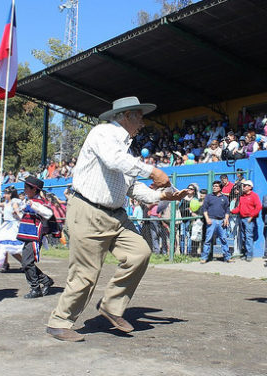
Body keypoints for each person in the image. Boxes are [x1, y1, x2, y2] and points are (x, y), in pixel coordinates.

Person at [46, 97, 190, 342]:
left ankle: (111, 306)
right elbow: (115, 161)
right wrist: (153, 171)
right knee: (85, 274)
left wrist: (163, 195)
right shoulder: (102, 133)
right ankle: (59, 322)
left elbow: (133, 189)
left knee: (140, 253)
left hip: (116, 215)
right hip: (88, 211)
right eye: (140, 116)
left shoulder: (126, 150)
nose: (142, 123)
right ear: (127, 116)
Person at [17, 176, 56, 299]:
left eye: (26, 188)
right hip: (27, 235)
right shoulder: (29, 201)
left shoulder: (38, 203)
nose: (24, 190)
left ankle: (35, 288)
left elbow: (48, 214)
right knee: (26, 262)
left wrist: (33, 205)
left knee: (27, 263)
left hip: (34, 236)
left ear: (34, 190)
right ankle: (45, 280)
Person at [0, 186, 23, 272]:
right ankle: (5, 264)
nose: (4, 195)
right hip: (6, 225)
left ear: (10, 194)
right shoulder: (7, 202)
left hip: (12, 226)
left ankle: (25, 263)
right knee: (3, 246)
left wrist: (18, 213)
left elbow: (17, 211)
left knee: (11, 248)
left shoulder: (14, 202)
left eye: (6, 193)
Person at [200, 180, 232, 264]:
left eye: (216, 186)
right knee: (208, 240)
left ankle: (227, 257)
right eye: (213, 186)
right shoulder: (208, 197)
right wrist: (207, 218)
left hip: (221, 221)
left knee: (224, 239)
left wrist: (226, 219)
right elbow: (204, 209)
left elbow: (227, 210)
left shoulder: (224, 198)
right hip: (211, 220)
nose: (214, 187)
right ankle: (204, 258)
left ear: (220, 188)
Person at [231, 180, 261, 262]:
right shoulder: (242, 197)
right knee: (243, 237)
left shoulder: (254, 196)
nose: (243, 187)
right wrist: (231, 211)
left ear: (250, 187)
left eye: (245, 185)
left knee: (248, 237)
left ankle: (249, 255)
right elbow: (239, 208)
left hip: (249, 220)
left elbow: (258, 207)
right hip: (241, 218)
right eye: (243, 186)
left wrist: (251, 216)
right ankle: (245, 253)